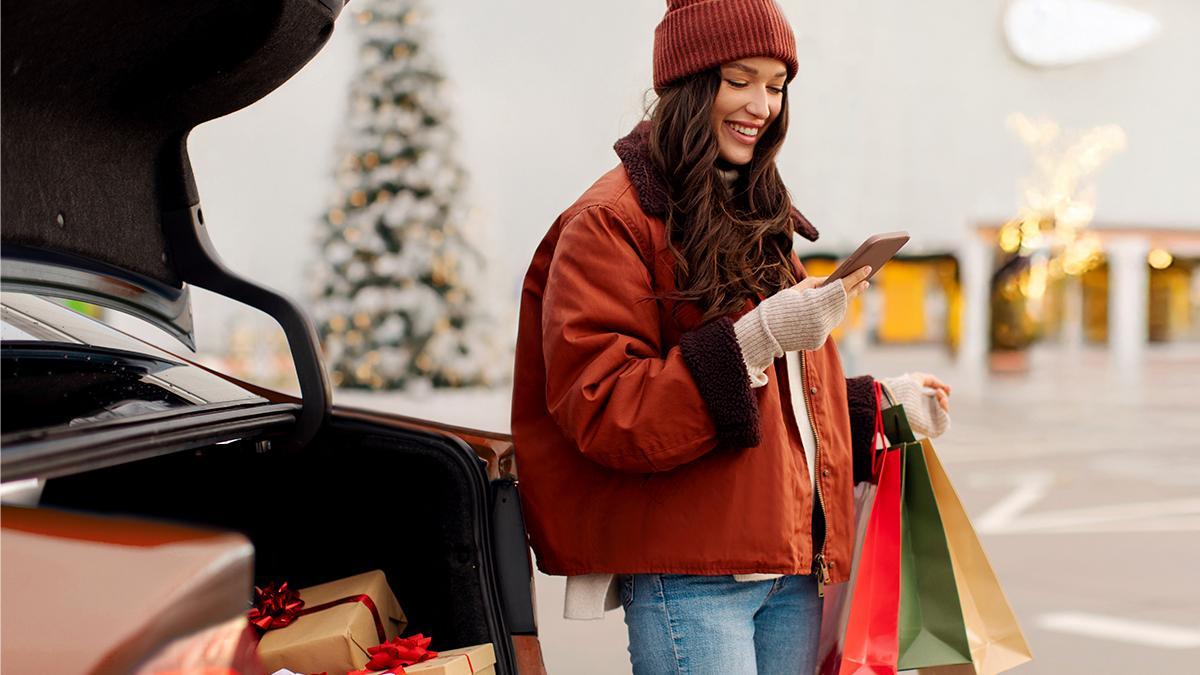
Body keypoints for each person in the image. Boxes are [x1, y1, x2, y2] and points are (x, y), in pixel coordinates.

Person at [512, 1, 952, 672]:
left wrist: (877, 405)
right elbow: (606, 409)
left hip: (791, 567)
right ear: (687, 83)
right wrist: (756, 337)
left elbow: (778, 391)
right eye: (739, 79)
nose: (762, 105)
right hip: (694, 579)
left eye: (776, 85)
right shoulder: (610, 222)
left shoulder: (753, 208)